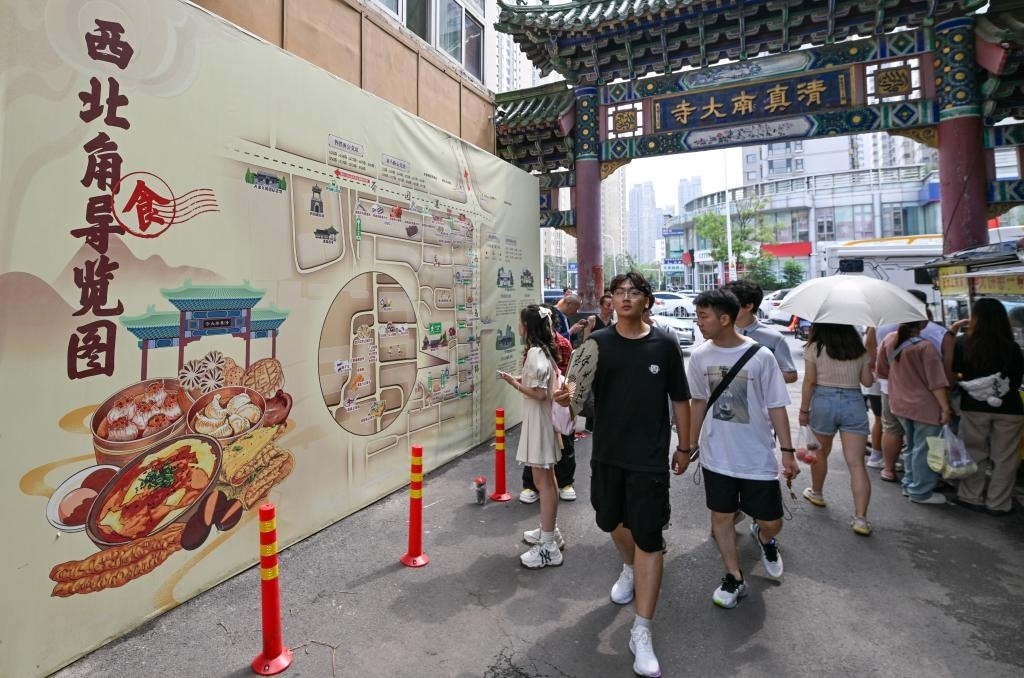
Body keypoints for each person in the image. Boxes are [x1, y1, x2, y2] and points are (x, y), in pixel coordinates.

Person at [556, 271, 691, 678]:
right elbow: (574, 395)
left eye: (634, 292)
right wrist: (564, 397)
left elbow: (680, 399)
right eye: (619, 292)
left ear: (647, 300)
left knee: (649, 537)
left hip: (649, 458)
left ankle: (642, 629)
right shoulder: (596, 343)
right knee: (611, 520)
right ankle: (629, 567)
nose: (626, 297)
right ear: (611, 300)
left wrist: (685, 446)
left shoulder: (665, 344)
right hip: (607, 455)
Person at [686, 288, 798, 609]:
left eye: (703, 316)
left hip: (756, 455)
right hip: (716, 455)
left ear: (725, 319)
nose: (698, 323)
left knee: (771, 520)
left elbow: (776, 406)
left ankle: (764, 537)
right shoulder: (700, 356)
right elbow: (698, 402)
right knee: (721, 517)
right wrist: (688, 444)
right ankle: (734, 575)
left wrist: (787, 452)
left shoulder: (761, 356)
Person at [498, 305, 564, 568]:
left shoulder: (535, 352)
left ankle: (548, 546)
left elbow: (538, 393)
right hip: (545, 420)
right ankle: (550, 532)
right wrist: (517, 378)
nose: (518, 326)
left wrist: (514, 383)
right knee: (548, 480)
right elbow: (542, 383)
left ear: (527, 326)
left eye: (521, 321)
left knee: (542, 483)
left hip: (539, 422)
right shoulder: (544, 350)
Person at [797, 324, 875, 535]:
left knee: (820, 452)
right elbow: (867, 381)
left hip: (823, 401)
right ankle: (860, 519)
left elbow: (810, 381)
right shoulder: (859, 350)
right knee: (856, 463)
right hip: (853, 402)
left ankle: (817, 493)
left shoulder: (814, 347)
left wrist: (804, 410)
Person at [951, 298, 1024, 516]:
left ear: (975, 318)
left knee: (974, 452)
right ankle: (998, 503)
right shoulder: (1012, 347)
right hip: (1009, 408)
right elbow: (1016, 380)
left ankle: (970, 496)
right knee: (1005, 458)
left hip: (973, 406)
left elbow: (954, 373)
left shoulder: (963, 343)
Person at [874, 290, 952, 482]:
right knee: (921, 447)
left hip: (895, 398)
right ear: (922, 318)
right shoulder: (928, 344)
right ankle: (918, 488)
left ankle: (902, 477)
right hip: (924, 404)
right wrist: (945, 408)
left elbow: (881, 371)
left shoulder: (888, 336)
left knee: (901, 438)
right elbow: (938, 381)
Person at [519, 306, 577, 504]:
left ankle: (565, 483)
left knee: (549, 451)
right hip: (550, 405)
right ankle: (532, 486)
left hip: (552, 405)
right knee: (542, 458)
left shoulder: (539, 350)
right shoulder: (540, 348)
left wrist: (514, 383)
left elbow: (542, 391)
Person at [724, 280, 798, 383]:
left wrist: (756, 374)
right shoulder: (719, 332)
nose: (725, 309)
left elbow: (791, 375)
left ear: (749, 306)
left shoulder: (774, 338)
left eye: (730, 304)